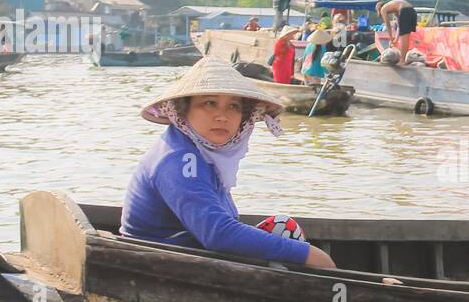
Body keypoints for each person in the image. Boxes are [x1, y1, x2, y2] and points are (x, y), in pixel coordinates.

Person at [120, 58, 336, 268]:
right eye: (209, 104)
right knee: (301, 252)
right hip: (162, 265)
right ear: (183, 110)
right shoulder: (182, 159)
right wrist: (309, 254)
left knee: (284, 226)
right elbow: (217, 233)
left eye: (233, 106)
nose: (222, 116)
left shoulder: (202, 152)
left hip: (189, 254)